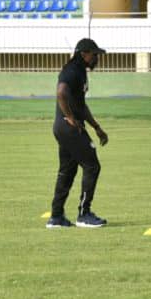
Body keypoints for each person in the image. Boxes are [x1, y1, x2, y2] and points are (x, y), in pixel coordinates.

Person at [47, 38, 109, 228]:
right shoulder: (72, 70)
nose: (97, 58)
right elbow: (60, 93)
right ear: (84, 54)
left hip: (64, 127)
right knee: (92, 166)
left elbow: (81, 106)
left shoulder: (80, 71)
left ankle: (56, 217)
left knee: (67, 171)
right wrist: (70, 117)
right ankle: (84, 214)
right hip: (69, 128)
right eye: (94, 54)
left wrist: (96, 127)